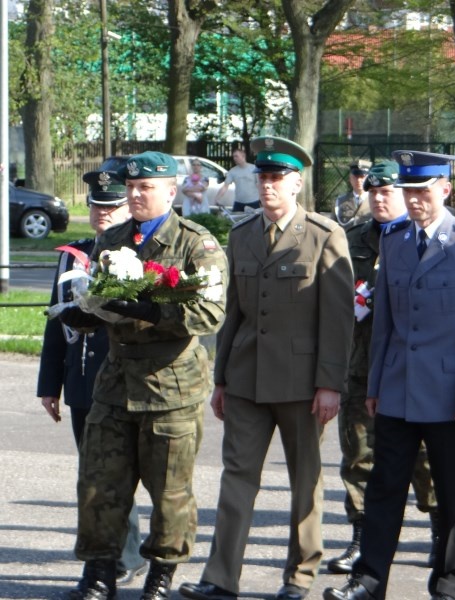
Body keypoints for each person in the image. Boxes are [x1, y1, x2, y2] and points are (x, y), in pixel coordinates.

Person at [178, 136, 353, 600]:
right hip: (247, 378)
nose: (268, 185)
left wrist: (330, 384)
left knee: (305, 483)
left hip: (302, 383)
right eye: (263, 177)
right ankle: (220, 578)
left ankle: (299, 577)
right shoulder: (242, 235)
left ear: (297, 183)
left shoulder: (323, 235)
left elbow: (337, 321)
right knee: (236, 477)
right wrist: (221, 379)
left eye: (277, 178)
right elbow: (231, 312)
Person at [324, 150, 455, 600]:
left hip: (451, 394)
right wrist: (377, 385)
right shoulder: (396, 240)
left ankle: (449, 584)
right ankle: (368, 581)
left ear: (445, 189)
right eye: (408, 192)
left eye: (423, 192)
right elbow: (384, 320)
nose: (415, 201)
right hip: (399, 389)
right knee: (385, 487)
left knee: (451, 496)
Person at [58, 151, 229, 600]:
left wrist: (154, 311)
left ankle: (161, 574)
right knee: (99, 483)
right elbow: (103, 296)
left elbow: (210, 312)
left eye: (145, 187)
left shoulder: (196, 244)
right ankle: (99, 573)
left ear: (170, 192)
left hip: (169, 387)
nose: (135, 194)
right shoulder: (112, 238)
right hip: (115, 385)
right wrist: (87, 314)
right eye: (131, 187)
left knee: (170, 492)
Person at [329, 160, 439, 575]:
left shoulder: (424, 240)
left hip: (413, 369)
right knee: (359, 457)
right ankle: (361, 538)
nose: (379, 198)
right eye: (373, 192)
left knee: (424, 458)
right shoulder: (351, 239)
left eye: (387, 191)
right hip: (361, 368)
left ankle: (438, 530)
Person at [37, 170, 147, 587]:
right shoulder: (73, 256)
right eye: (98, 205)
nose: (103, 213)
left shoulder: (136, 256)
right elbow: (55, 322)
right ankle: (118, 554)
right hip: (81, 380)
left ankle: (126, 554)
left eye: (113, 206)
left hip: (123, 376)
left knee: (120, 471)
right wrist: (50, 384)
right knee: (94, 471)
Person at [215, 148, 259, 212]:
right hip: (239, 203)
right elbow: (225, 186)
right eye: (233, 157)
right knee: (237, 221)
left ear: (243, 156)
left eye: (236, 156)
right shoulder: (232, 171)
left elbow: (260, 184)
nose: (234, 158)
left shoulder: (254, 168)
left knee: (255, 221)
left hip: (254, 202)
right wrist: (217, 198)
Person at [334, 160, 372, 228]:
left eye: (362, 177)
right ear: (350, 179)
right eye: (355, 177)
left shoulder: (374, 200)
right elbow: (333, 225)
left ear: (368, 179)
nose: (358, 180)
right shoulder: (340, 201)